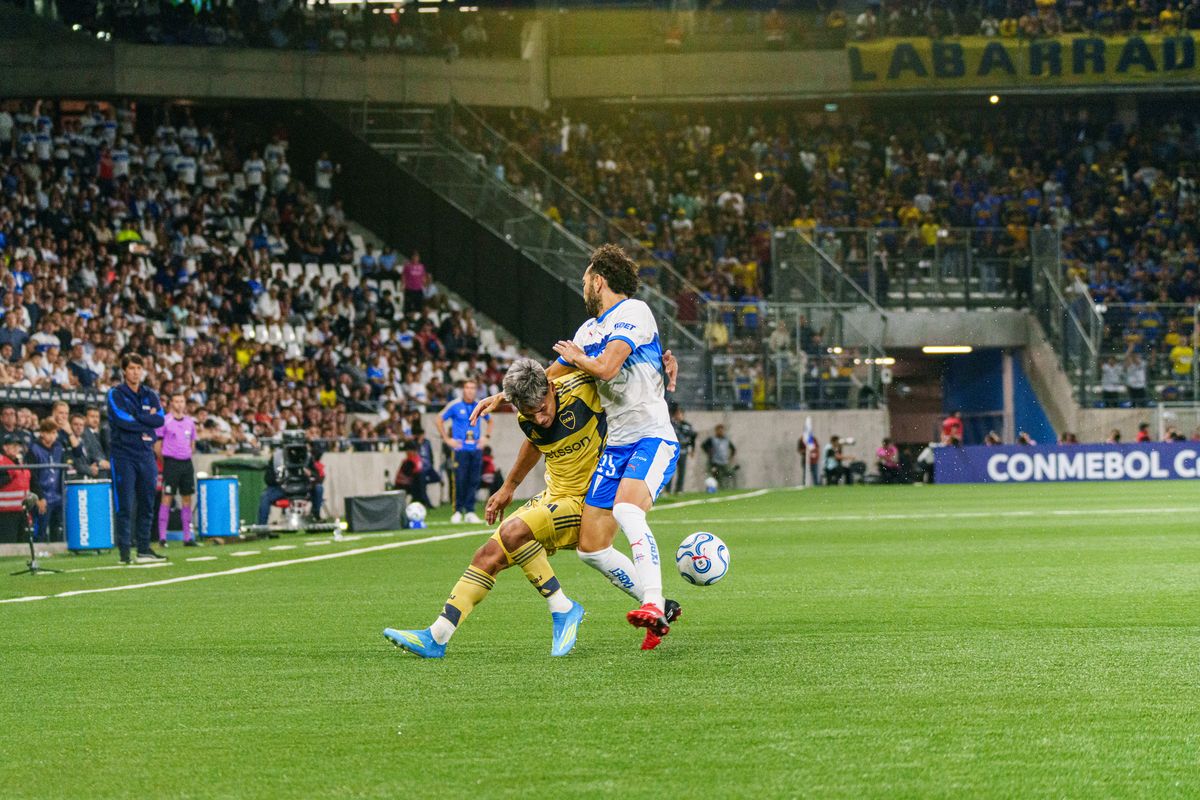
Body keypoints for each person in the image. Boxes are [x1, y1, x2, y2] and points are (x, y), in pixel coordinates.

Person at [385, 361, 600, 658]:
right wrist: (508, 487)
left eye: (541, 409)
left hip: (587, 501)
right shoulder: (529, 416)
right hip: (554, 495)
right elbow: (535, 443)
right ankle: (437, 636)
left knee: (514, 532)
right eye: (529, 413)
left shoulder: (581, 389)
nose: (539, 419)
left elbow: (610, 364)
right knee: (488, 554)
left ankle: (565, 607)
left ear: (550, 389)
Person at [107, 353, 166, 564]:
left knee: (147, 502)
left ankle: (143, 548)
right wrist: (146, 420)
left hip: (145, 453)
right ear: (124, 371)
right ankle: (124, 552)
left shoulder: (150, 394)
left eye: (138, 368)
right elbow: (123, 420)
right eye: (131, 368)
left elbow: (159, 418)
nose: (135, 372)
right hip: (123, 454)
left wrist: (138, 418)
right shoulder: (116, 393)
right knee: (125, 504)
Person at [436, 379, 492, 524]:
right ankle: (457, 511)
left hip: (476, 448)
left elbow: (490, 420)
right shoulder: (455, 405)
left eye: (473, 388)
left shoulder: (479, 405)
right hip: (460, 449)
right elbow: (439, 419)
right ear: (463, 390)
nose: (470, 390)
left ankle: (470, 511)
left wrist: (486, 437)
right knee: (459, 480)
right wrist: (447, 439)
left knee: (474, 480)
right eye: (467, 388)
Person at [155, 392, 198, 547]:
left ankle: (187, 537)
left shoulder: (190, 422)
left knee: (187, 498)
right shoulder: (165, 421)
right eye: (176, 401)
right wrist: (166, 461)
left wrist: (186, 453)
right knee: (167, 497)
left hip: (186, 463)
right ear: (171, 403)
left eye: (182, 401)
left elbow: (192, 443)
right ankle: (162, 537)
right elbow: (157, 446)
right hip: (171, 463)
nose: (179, 404)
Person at [28, 419, 80, 541]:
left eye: (54, 433)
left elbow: (77, 453)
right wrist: (39, 497)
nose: (52, 436)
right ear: (42, 433)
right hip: (43, 495)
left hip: (57, 495)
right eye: (49, 433)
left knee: (58, 527)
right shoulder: (34, 449)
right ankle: (38, 550)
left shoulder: (59, 447)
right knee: (41, 527)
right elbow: (32, 476)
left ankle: (57, 550)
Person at [0, 433, 31, 540]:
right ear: (5, 447)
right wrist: (10, 475)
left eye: (18, 446)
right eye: (13, 446)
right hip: (5, 512)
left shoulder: (21, 463)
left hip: (22, 510)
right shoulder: (1, 461)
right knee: (8, 542)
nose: (16, 448)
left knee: (22, 543)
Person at [701, 424, 738, 489]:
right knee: (718, 477)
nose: (721, 432)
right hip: (715, 462)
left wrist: (730, 457)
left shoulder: (726, 440)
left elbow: (733, 449)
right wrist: (709, 452)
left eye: (722, 430)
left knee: (730, 473)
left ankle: (733, 488)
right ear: (716, 431)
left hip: (724, 462)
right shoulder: (712, 439)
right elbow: (703, 445)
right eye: (719, 430)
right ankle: (720, 489)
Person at [670, 404, 696, 493]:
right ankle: (667, 490)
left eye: (680, 414)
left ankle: (679, 490)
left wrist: (692, 449)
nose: (679, 416)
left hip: (683, 450)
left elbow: (693, 437)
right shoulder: (671, 425)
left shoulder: (687, 425)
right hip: (672, 451)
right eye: (677, 414)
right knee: (670, 471)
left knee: (682, 472)